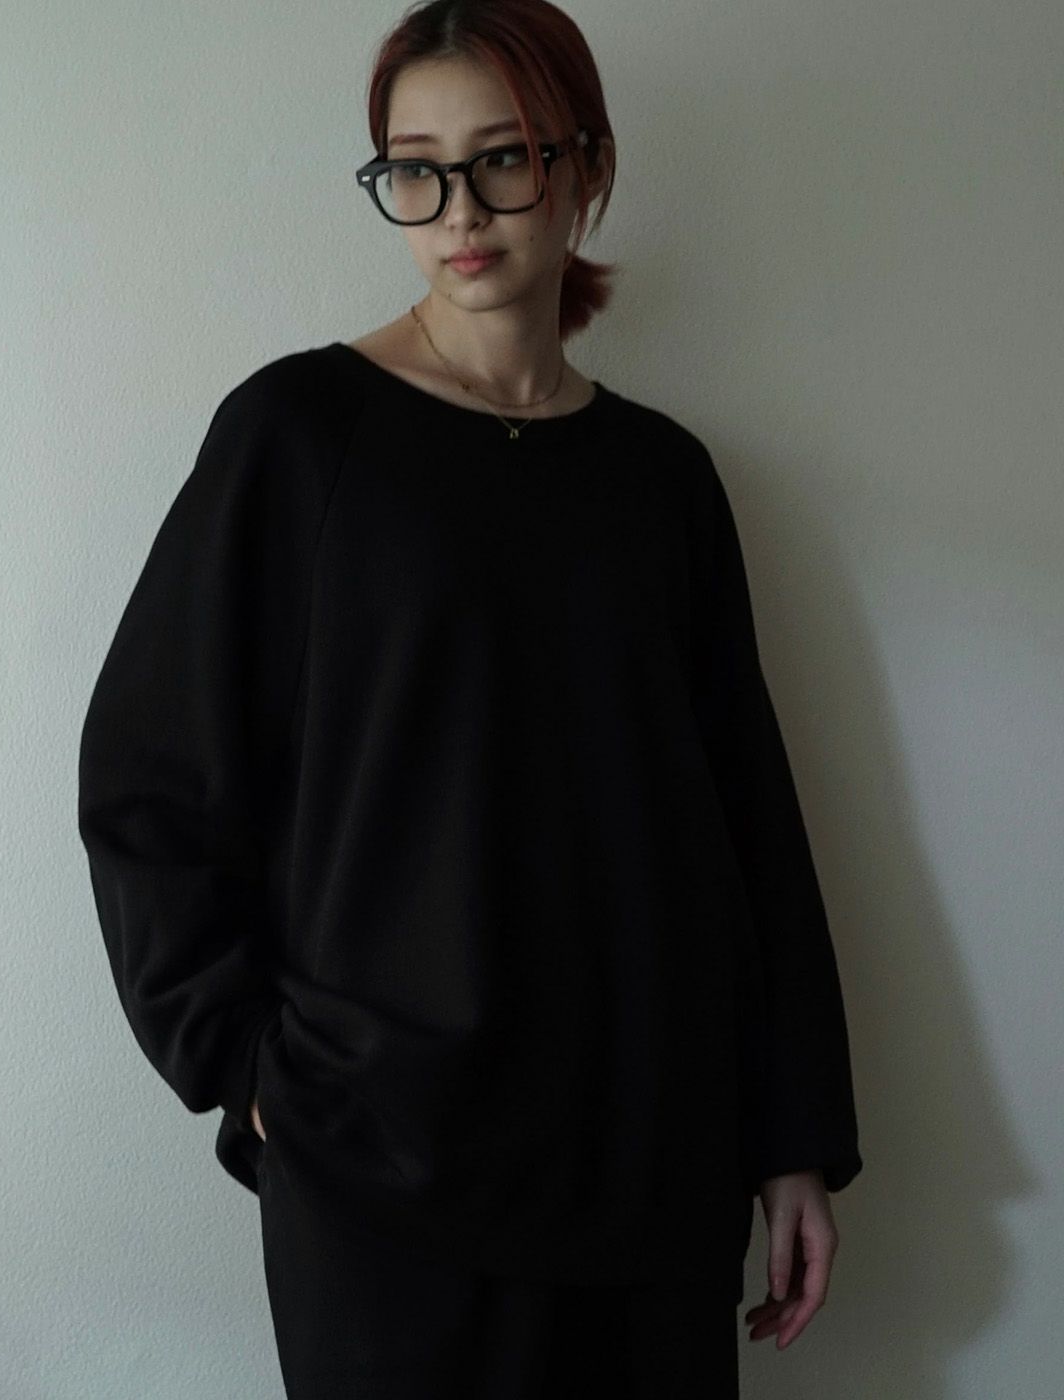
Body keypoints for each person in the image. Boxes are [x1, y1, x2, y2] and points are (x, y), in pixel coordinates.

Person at [77, 2, 863, 1395]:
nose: (460, 210)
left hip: (652, 1160)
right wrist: (248, 1069)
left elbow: (747, 819)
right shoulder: (297, 439)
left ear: (584, 162)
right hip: (382, 1165)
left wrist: (791, 1134)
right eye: (416, 168)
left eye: (503, 157)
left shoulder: (664, 479)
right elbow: (152, 778)